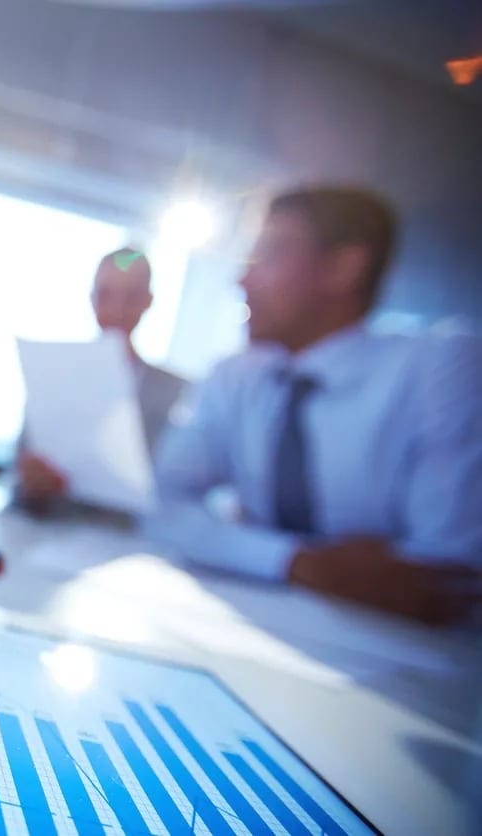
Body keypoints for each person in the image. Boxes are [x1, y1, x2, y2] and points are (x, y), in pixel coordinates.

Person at [145, 186, 481, 625]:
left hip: (400, 662)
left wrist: (236, 543)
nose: (242, 279)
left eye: (269, 255)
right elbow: (159, 507)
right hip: (255, 627)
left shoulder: (442, 369)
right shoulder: (235, 376)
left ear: (343, 268)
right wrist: (296, 561)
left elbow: (443, 579)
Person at [17, 247, 188, 510]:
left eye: (131, 296)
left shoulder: (173, 392)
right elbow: (17, 472)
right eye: (106, 294)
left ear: (148, 301)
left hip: (127, 536)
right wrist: (30, 482)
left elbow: (180, 489)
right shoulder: (54, 374)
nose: (117, 309)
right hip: (50, 524)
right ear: (92, 298)